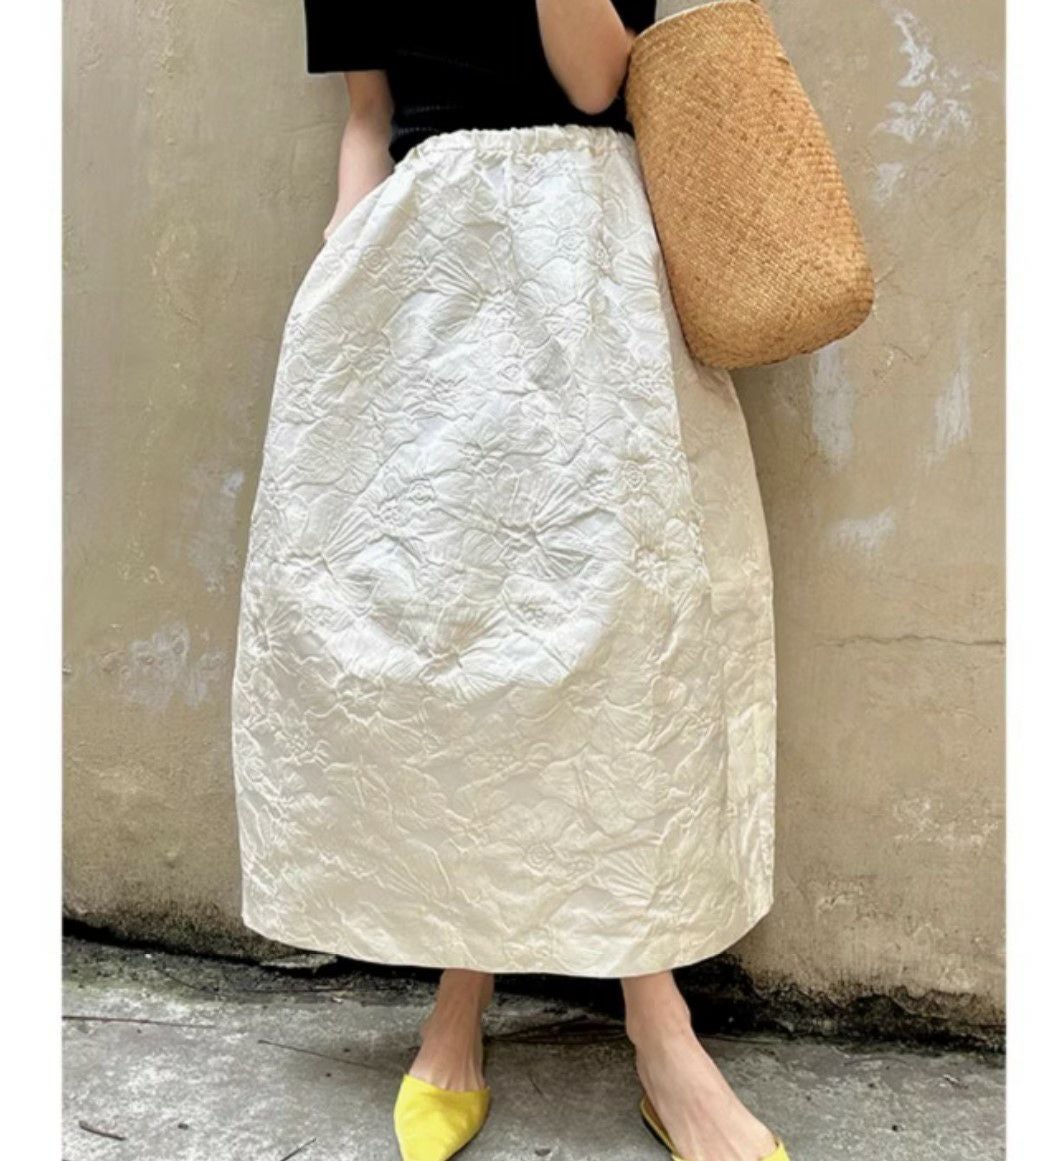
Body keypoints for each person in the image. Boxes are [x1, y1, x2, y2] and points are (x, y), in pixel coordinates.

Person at [230, 3, 785, 1159]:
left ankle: (661, 1032)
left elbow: (596, 84)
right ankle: (459, 1001)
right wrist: (339, 272)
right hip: (421, 275)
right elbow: (369, 119)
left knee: (622, 640)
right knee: (447, 643)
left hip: (589, 267)